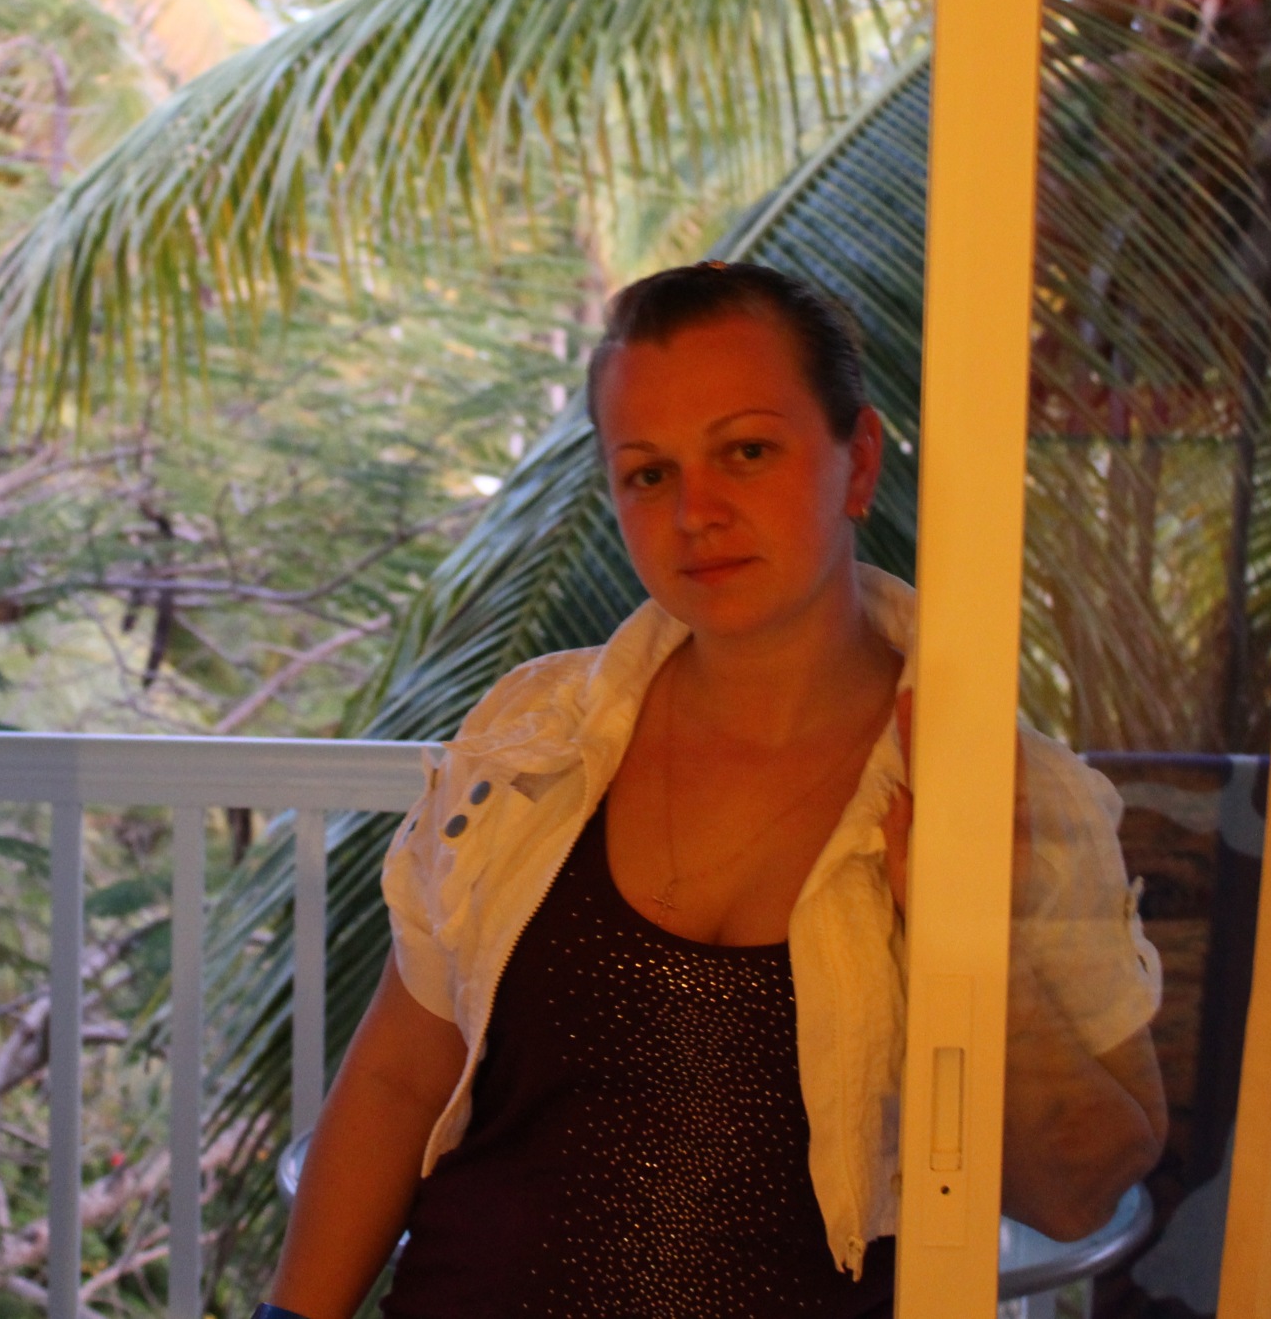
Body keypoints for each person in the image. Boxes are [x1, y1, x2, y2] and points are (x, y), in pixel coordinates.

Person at [261, 263, 1166, 1319]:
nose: (697, 512)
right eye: (649, 473)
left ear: (859, 462)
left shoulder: (998, 788)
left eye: (747, 451)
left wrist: (969, 944)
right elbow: (398, 1082)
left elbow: (1079, 1187)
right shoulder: (533, 741)